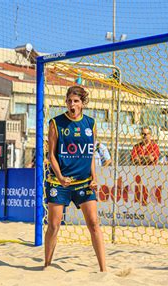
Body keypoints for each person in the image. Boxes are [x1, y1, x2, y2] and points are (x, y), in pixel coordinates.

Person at [45, 85, 106, 272]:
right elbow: (51, 155)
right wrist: (61, 177)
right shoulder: (56, 123)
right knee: (54, 225)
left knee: (94, 223)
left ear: (82, 103)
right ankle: (47, 265)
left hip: (84, 182)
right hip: (60, 182)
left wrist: (94, 178)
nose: (72, 104)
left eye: (76, 101)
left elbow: (91, 155)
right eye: (69, 101)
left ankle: (104, 270)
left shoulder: (90, 124)